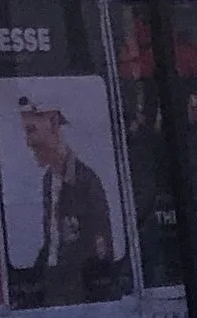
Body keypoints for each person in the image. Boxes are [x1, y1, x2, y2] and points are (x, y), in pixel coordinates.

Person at [12, 94, 123, 302]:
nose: (28, 142)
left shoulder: (86, 182)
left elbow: (100, 248)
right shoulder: (48, 181)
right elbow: (53, 241)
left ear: (53, 124)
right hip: (54, 293)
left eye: (31, 131)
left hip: (78, 297)